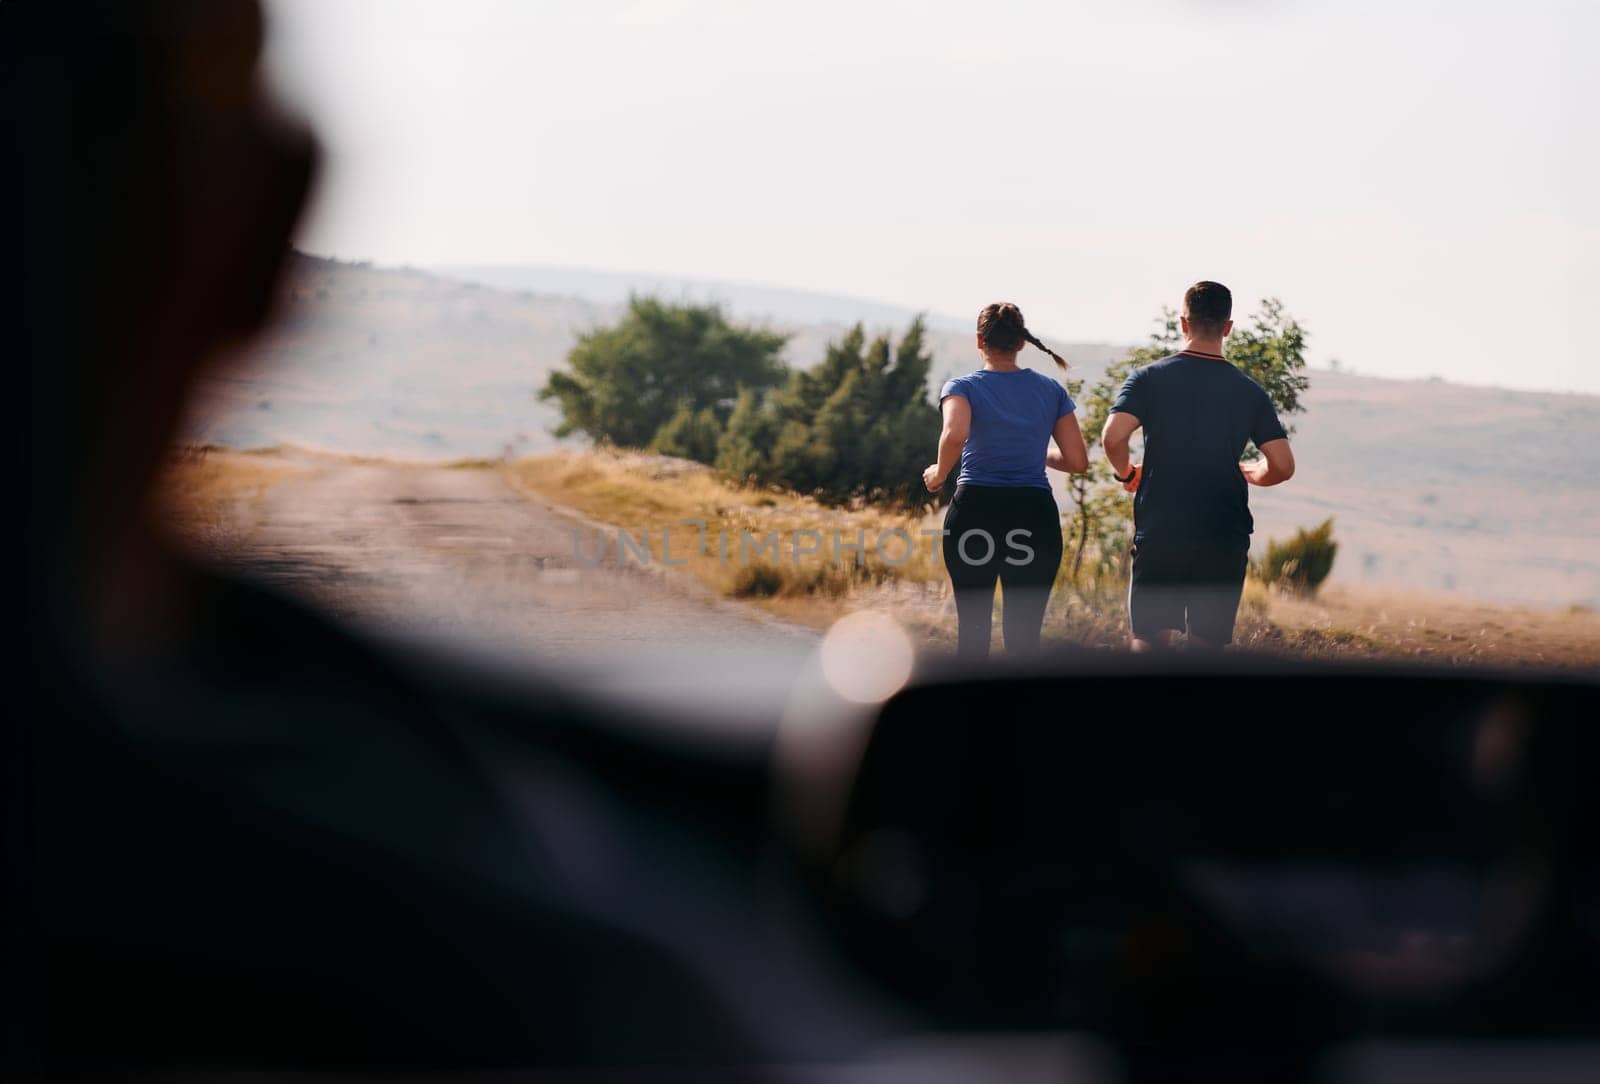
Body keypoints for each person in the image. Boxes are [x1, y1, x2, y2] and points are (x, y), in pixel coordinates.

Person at [1102, 281, 1296, 650]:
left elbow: (1112, 438)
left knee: (1149, 643)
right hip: (1224, 534)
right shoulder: (1249, 391)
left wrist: (1128, 474)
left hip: (1162, 530)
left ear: (1183, 323)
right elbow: (1283, 465)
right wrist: (1251, 471)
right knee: (1206, 653)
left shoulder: (1148, 379)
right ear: (1228, 327)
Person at [923, 303, 1088, 657]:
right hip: (1033, 514)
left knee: (973, 629)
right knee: (1025, 637)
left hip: (976, 511)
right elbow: (1077, 460)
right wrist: (1031, 452)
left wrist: (938, 474)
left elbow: (954, 436)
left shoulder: (963, 386)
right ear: (1021, 343)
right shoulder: (1051, 390)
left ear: (980, 340)